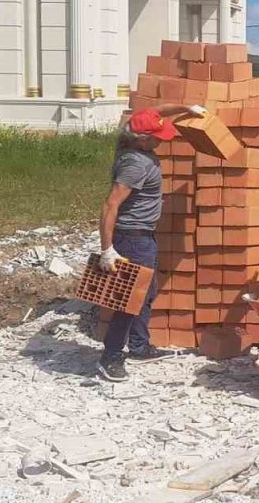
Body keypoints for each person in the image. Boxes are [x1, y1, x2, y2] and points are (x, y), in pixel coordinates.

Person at [96, 103, 204, 382]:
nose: (161, 139)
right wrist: (107, 250)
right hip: (132, 239)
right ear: (142, 138)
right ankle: (110, 357)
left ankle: (140, 346)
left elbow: (154, 112)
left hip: (143, 237)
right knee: (129, 300)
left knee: (146, 293)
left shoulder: (133, 143)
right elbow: (110, 205)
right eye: (156, 136)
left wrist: (185, 108)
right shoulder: (135, 164)